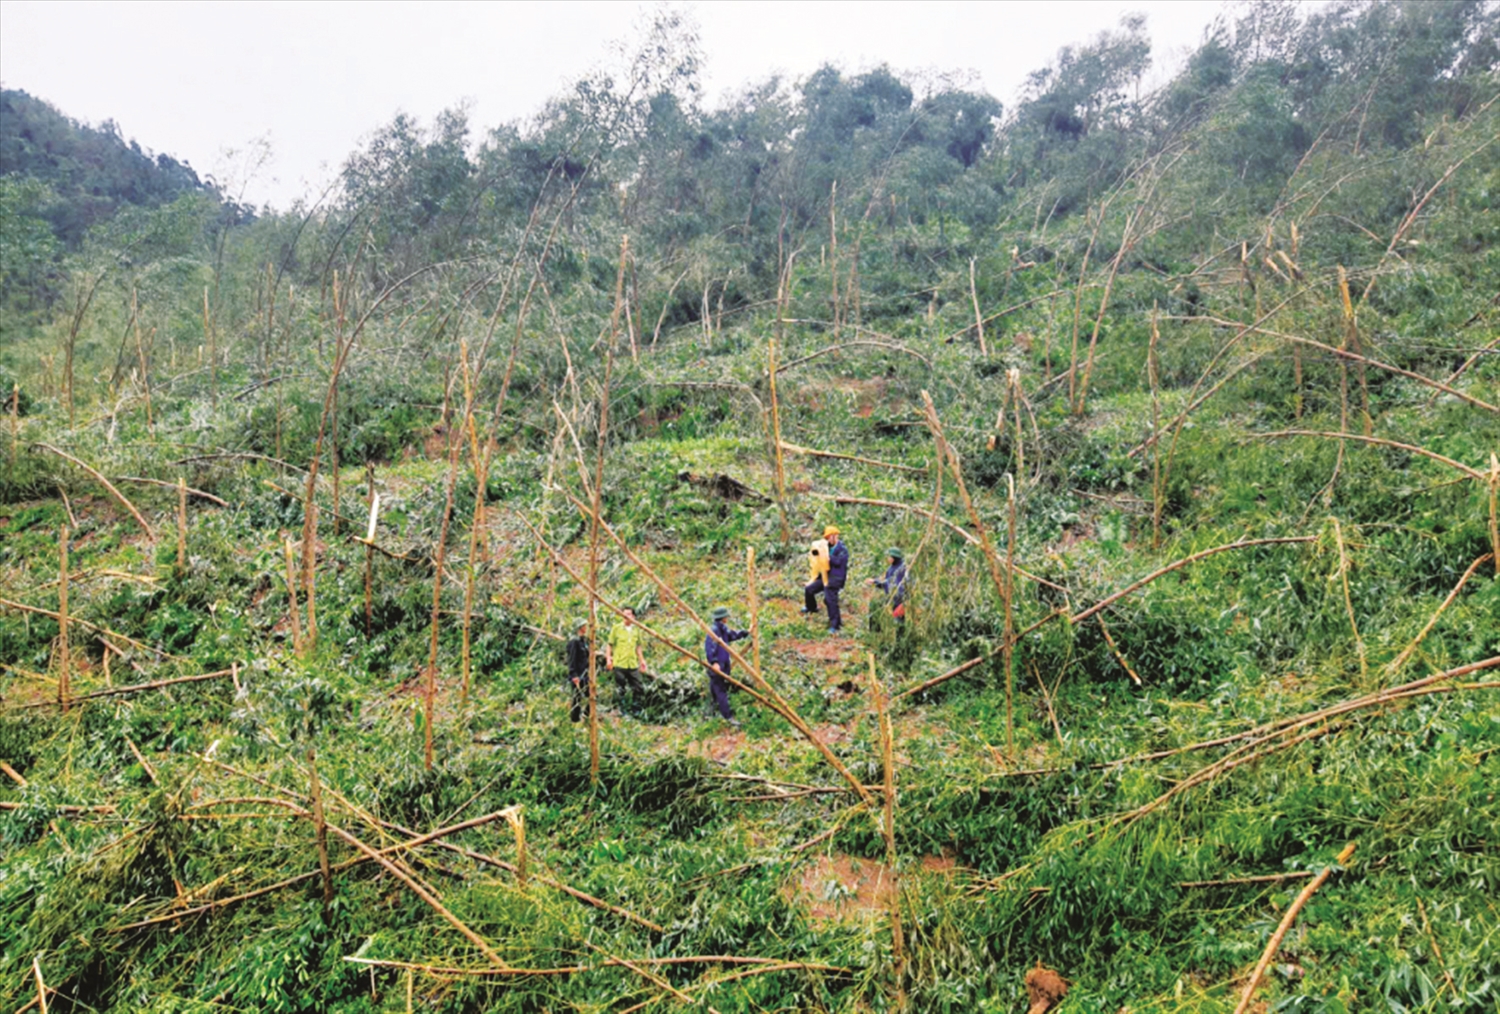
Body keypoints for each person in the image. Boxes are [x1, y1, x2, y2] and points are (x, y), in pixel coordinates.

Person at [704, 606, 750, 726]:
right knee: (720, 689)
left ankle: (711, 711)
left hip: (724, 663)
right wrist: (714, 663)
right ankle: (727, 716)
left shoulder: (723, 629)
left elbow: (732, 635)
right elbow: (710, 649)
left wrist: (745, 633)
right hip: (718, 665)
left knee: (716, 687)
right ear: (723, 618)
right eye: (726, 617)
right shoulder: (714, 631)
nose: (727, 618)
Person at [803, 525, 849, 633]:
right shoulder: (825, 546)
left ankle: (835, 624)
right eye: (827, 537)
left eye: (831, 537)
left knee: (830, 599)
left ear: (836, 536)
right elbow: (816, 555)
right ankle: (811, 607)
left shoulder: (842, 549)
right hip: (824, 575)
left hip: (836, 578)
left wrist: (828, 558)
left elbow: (839, 562)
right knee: (809, 589)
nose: (829, 539)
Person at [606, 606, 647, 716]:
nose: (626, 616)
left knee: (638, 686)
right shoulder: (617, 628)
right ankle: (622, 709)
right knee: (621, 687)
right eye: (624, 614)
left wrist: (642, 661)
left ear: (633, 616)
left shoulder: (636, 630)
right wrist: (608, 659)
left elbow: (638, 646)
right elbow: (610, 644)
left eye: (629, 614)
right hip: (620, 663)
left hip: (632, 663)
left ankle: (636, 709)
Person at [868, 548, 909, 623]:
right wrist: (876, 582)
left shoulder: (901, 569)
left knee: (899, 620)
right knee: (875, 607)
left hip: (899, 600)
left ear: (895, 558)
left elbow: (893, 584)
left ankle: (900, 632)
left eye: (889, 557)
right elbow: (887, 580)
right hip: (893, 597)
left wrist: (877, 582)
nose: (888, 558)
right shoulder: (892, 567)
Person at [565, 618, 591, 723]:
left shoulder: (583, 640)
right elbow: (572, 659)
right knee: (577, 698)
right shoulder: (574, 642)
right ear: (580, 628)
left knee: (591, 695)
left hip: (585, 673)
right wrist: (574, 675)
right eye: (584, 626)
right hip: (578, 675)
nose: (586, 628)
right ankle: (574, 720)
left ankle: (586, 715)